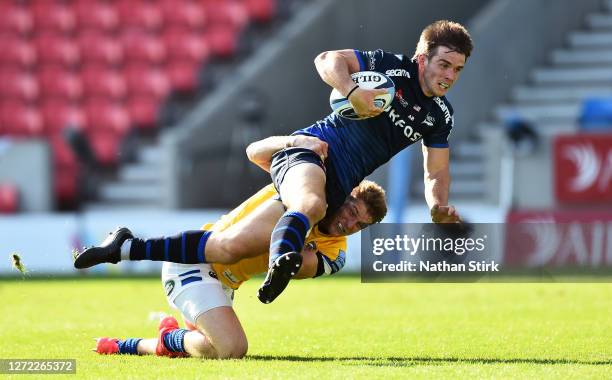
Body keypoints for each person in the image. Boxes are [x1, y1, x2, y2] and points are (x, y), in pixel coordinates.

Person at [251, 20, 472, 302]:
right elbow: (327, 59)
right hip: (315, 149)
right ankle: (279, 261)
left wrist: (437, 206)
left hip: (341, 184)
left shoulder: (440, 116)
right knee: (309, 205)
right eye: (444, 64)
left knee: (230, 247)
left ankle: (190, 271)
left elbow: (437, 171)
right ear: (422, 58)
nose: (450, 75)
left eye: (458, 69)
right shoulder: (390, 67)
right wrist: (352, 92)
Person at [90, 180, 387, 359]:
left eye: (360, 225)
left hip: (224, 284)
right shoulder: (302, 189)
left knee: (208, 349)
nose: (349, 225)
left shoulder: (337, 252)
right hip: (195, 262)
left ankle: (160, 338)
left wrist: (295, 252)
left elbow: (296, 266)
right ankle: (149, 342)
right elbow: (257, 152)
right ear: (343, 195)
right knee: (232, 349)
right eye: (351, 212)